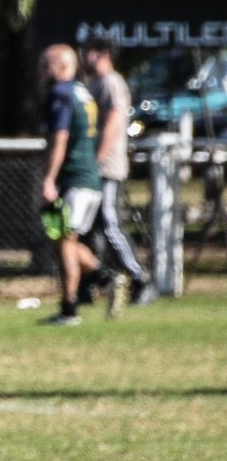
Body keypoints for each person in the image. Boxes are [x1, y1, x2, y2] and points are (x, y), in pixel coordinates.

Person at [82, 38, 157, 312]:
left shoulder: (111, 82)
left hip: (107, 167)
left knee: (109, 223)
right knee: (88, 227)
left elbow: (114, 122)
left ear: (102, 54)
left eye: (89, 51)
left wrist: (96, 159)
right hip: (93, 166)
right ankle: (93, 281)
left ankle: (141, 278)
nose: (84, 56)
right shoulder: (94, 84)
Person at [38, 44, 104, 327]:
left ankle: (69, 309)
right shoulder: (83, 92)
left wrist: (49, 178)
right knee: (61, 239)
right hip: (89, 179)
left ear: (63, 66)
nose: (41, 72)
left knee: (65, 242)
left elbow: (61, 139)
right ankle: (105, 276)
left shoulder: (61, 93)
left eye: (45, 66)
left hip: (73, 179)